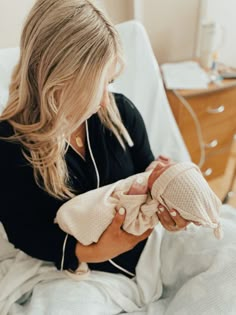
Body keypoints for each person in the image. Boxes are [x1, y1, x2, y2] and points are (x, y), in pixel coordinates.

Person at [0, 0, 196, 307]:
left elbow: (148, 175)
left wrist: (167, 198)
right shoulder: (10, 145)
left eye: (111, 82)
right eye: (96, 86)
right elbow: (25, 232)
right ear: (59, 82)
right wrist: (94, 251)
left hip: (151, 250)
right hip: (80, 271)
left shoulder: (122, 115)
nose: (106, 100)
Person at [55, 159, 222, 277]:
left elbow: (133, 226)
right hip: (83, 237)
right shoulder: (155, 181)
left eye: (163, 171)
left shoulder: (152, 204)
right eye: (166, 166)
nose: (162, 166)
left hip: (122, 238)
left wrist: (132, 200)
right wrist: (155, 166)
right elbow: (149, 172)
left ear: (162, 196)